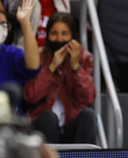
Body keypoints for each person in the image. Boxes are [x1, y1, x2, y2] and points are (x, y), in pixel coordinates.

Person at [24, 12, 96, 144]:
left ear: (72, 36)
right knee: (49, 118)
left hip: (71, 125)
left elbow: (88, 98)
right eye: (54, 33)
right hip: (43, 127)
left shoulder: (84, 57)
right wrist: (51, 68)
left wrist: (75, 66)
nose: (59, 39)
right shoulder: (39, 56)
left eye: (64, 34)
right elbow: (31, 96)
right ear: (47, 35)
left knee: (89, 115)